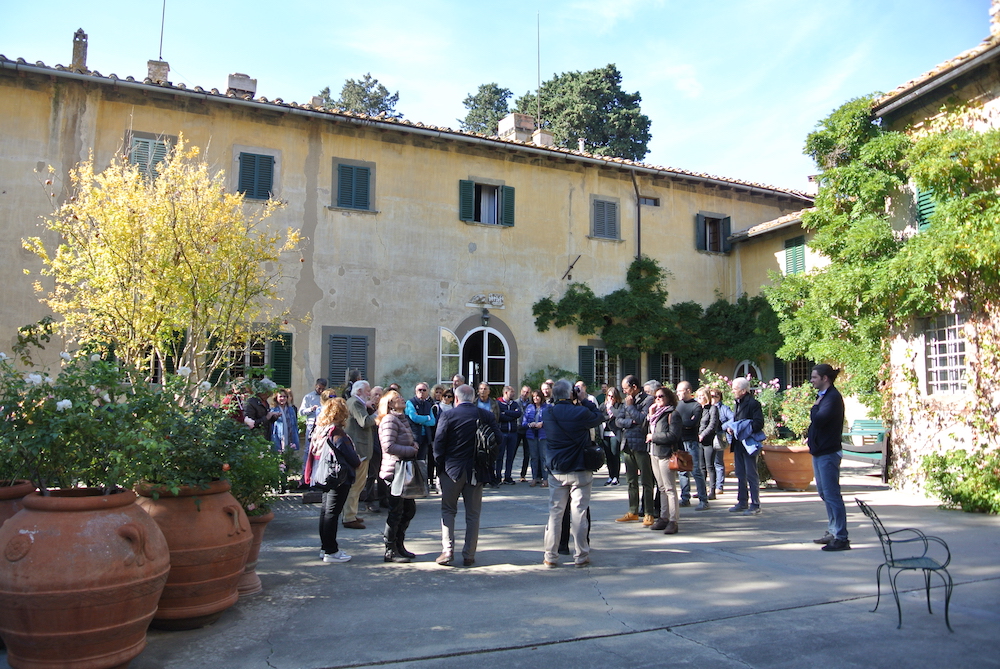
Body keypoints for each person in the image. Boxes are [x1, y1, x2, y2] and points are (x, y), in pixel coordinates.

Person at [432, 384, 500, 566]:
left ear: (456, 398)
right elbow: (498, 439)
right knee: (473, 514)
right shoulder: (485, 415)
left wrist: (440, 467)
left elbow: (438, 444)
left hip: (452, 469)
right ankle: (469, 554)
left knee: (448, 510)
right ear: (473, 398)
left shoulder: (448, 415)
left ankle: (447, 550)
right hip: (477, 470)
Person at [542, 380, 604, 568]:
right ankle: (581, 554)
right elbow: (599, 416)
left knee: (555, 513)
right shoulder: (580, 412)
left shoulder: (548, 412)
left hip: (557, 469)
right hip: (579, 467)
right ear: (571, 394)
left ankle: (550, 555)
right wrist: (584, 399)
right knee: (579, 513)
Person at [311, 397, 362, 563]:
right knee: (332, 514)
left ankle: (325, 547)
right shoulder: (337, 433)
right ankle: (331, 551)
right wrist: (357, 460)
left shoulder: (321, 430)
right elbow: (352, 459)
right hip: (339, 477)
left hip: (324, 474)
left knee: (326, 512)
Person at [807, 364, 850, 551]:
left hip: (828, 453)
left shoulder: (832, 398)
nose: (812, 380)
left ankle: (841, 537)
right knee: (825, 494)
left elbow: (819, 419)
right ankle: (833, 531)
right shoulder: (822, 397)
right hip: (819, 452)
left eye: (815, 377)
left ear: (825, 378)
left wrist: (814, 409)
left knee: (832, 495)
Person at [377, 390, 419, 563]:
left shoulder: (402, 419)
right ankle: (390, 549)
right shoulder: (389, 420)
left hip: (404, 470)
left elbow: (407, 440)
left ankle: (399, 545)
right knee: (396, 511)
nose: (402, 399)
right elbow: (388, 446)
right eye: (397, 398)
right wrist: (411, 450)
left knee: (408, 510)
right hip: (394, 472)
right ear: (390, 404)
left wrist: (414, 444)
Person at [616, 375, 654, 525]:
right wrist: (630, 422)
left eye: (626, 389)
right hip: (627, 444)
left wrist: (631, 407)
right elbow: (618, 421)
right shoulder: (626, 401)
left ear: (634, 387)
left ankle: (648, 512)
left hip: (641, 444)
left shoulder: (648, 400)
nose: (625, 392)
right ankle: (633, 510)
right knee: (631, 480)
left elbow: (643, 421)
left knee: (646, 480)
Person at [724, 377, 766, 515]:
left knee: (751, 474)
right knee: (740, 473)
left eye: (735, 389)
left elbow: (758, 423)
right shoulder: (738, 403)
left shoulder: (753, 404)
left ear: (743, 390)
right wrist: (732, 428)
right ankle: (742, 501)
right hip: (738, 444)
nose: (733, 391)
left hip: (748, 443)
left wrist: (742, 427)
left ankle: (755, 504)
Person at [647, 386, 682, 534]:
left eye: (661, 396)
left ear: (669, 398)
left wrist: (653, 437)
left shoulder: (672, 414)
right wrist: (650, 414)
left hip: (666, 454)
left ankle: (673, 520)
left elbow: (673, 435)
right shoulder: (656, 414)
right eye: (656, 397)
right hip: (654, 453)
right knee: (660, 488)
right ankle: (663, 517)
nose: (658, 399)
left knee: (669, 488)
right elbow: (647, 430)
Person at [343, 380, 377, 529]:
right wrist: (378, 413)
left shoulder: (357, 402)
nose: (369, 394)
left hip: (361, 449)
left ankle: (352, 513)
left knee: (358, 484)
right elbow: (365, 422)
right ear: (358, 392)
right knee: (356, 485)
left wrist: (367, 406)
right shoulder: (355, 403)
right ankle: (349, 517)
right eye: (367, 391)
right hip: (359, 450)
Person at [675, 381, 709, 510]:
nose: (678, 393)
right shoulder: (677, 405)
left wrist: (679, 423)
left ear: (688, 391)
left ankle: (703, 500)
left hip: (691, 442)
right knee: (682, 471)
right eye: (677, 391)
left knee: (696, 471)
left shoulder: (696, 406)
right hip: (680, 441)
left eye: (680, 391)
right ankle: (685, 498)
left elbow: (692, 423)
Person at [405, 382, 437, 491]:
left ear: (427, 392)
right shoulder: (410, 403)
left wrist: (424, 419)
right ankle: (412, 485)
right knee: (412, 461)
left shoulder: (428, 404)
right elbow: (413, 417)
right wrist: (426, 418)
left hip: (425, 437)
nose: (421, 392)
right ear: (415, 391)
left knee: (422, 461)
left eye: (424, 390)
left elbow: (433, 421)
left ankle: (422, 485)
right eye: (419, 390)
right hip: (414, 437)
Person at [697, 387, 722, 500]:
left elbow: (713, 425)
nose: (700, 398)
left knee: (710, 466)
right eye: (698, 396)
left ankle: (712, 491)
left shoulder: (712, 409)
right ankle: (701, 490)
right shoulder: (698, 409)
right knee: (701, 467)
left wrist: (702, 435)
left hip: (708, 441)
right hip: (698, 441)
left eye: (702, 396)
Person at [496, 385, 523, 484]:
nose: (514, 394)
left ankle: (508, 476)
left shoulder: (515, 404)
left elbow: (518, 414)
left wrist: (506, 413)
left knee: (510, 456)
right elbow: (499, 416)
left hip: (513, 433)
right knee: (500, 456)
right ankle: (498, 476)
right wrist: (511, 415)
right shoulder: (498, 404)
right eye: (512, 392)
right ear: (506, 392)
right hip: (502, 432)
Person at [523, 390, 549, 487]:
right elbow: (524, 422)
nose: (535, 399)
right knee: (534, 457)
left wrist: (542, 423)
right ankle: (534, 478)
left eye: (537, 397)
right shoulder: (529, 407)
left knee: (544, 457)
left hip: (543, 435)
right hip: (531, 435)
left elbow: (550, 420)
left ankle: (545, 479)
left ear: (541, 397)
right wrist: (531, 424)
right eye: (534, 397)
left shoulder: (547, 407)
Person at [709, 388, 730, 495]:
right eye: (711, 396)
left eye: (715, 396)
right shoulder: (707, 407)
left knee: (718, 462)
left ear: (719, 397)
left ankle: (719, 486)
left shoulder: (724, 408)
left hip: (718, 437)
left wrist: (723, 426)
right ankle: (711, 486)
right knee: (708, 463)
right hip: (708, 438)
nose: (712, 398)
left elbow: (732, 418)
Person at [602, 387, 625, 486]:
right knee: (608, 456)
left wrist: (611, 408)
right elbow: (599, 416)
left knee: (615, 455)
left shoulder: (620, 406)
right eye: (609, 396)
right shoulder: (603, 406)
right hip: (605, 433)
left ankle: (616, 476)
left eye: (612, 396)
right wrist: (608, 416)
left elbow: (619, 415)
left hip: (615, 433)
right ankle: (610, 476)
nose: (610, 398)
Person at [269, 389, 300, 456]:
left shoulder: (291, 409)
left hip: (290, 436)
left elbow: (295, 425)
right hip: (277, 436)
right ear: (276, 398)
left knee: (289, 457)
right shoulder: (273, 410)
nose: (282, 398)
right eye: (280, 396)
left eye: (284, 396)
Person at [300, 378, 328, 444]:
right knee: (309, 446)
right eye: (319, 388)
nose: (321, 391)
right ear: (316, 385)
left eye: (323, 389)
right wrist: (311, 409)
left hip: (323, 424)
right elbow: (301, 412)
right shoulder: (308, 397)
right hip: (311, 424)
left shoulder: (327, 397)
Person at [515, 385, 532, 481]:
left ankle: (523, 475)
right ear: (521, 391)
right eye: (524, 391)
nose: (525, 394)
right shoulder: (515, 403)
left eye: (527, 392)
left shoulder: (531, 404)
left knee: (527, 454)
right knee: (512, 452)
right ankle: (507, 475)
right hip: (517, 430)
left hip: (527, 430)